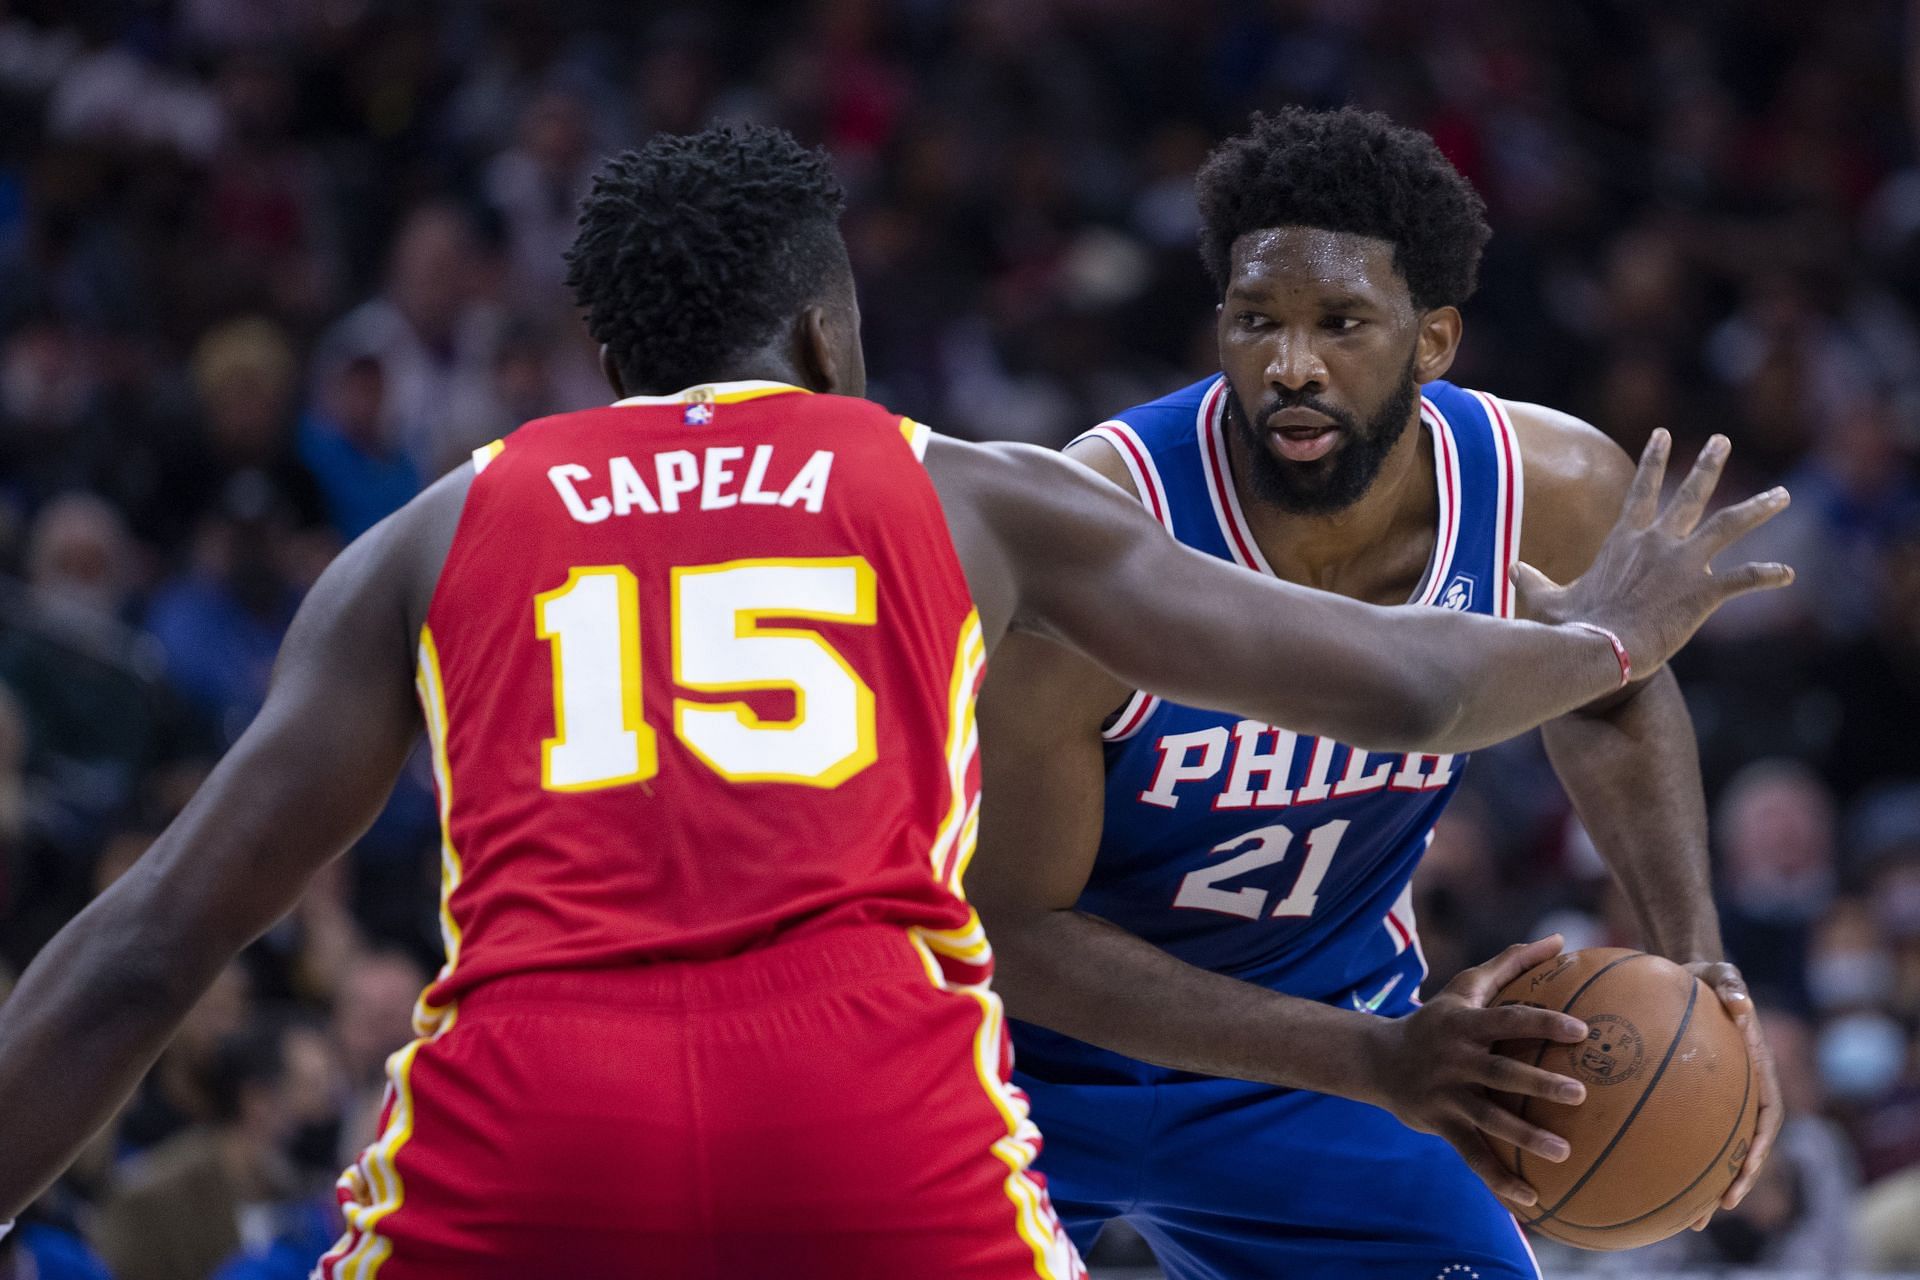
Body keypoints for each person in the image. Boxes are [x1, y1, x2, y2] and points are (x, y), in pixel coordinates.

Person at [0, 123, 1790, 1277]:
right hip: (886, 1098)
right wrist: (1611, 631)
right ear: (830, 342)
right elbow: (1406, 692)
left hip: (537, 1100)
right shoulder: (974, 488)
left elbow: (154, 942)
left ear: (612, 359)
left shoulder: (435, 530)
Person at [965, 107, 1785, 1280]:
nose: (1290, 363)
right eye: (1256, 322)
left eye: (1340, 323)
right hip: (1030, 1057)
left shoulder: (1542, 491)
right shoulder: (1098, 531)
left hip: (1328, 1037)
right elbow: (1022, 929)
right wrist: (1376, 1058)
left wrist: (1695, 964)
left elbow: (1613, 688)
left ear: (1434, 338)